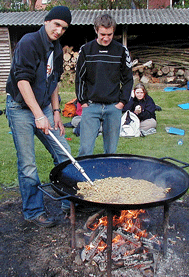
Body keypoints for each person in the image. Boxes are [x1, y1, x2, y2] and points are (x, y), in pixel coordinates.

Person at [6, 6, 72, 227]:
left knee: (64, 153)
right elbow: (22, 81)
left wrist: (55, 112)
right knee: (28, 164)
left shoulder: (57, 49)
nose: (59, 30)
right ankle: (34, 211)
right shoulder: (28, 42)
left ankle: (68, 204)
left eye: (64, 27)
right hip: (19, 108)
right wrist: (38, 115)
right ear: (47, 21)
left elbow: (53, 83)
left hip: (43, 107)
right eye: (56, 24)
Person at [75, 14, 133, 156]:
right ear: (96, 30)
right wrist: (83, 102)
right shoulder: (86, 50)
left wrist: (122, 102)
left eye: (109, 34)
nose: (106, 38)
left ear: (113, 32)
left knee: (111, 151)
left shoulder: (121, 51)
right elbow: (80, 78)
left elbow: (128, 79)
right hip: (91, 106)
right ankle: (83, 177)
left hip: (113, 107)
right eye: (103, 34)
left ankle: (108, 176)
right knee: (85, 149)